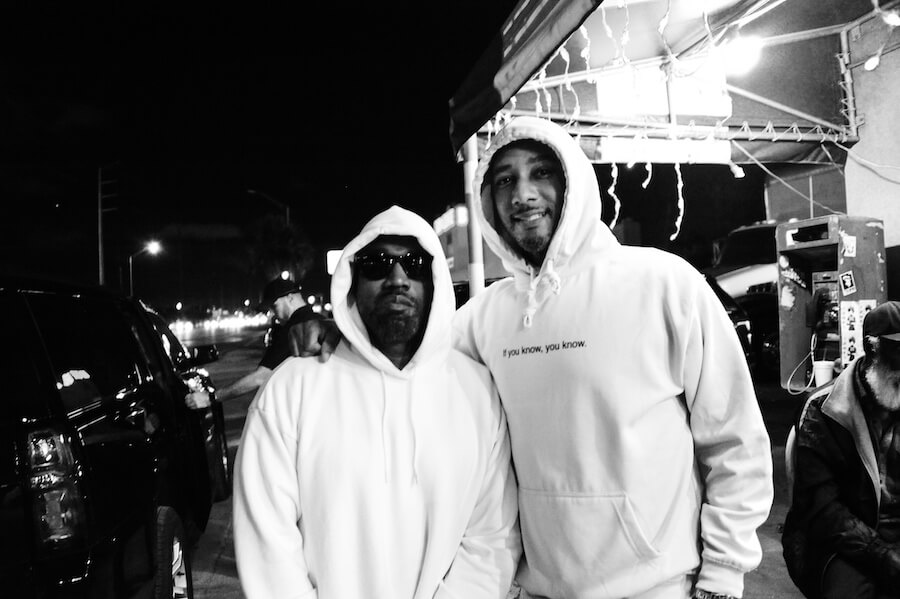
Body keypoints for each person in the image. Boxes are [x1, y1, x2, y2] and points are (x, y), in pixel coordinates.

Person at [293, 116, 774, 599]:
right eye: (505, 180)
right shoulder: (482, 320)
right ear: (488, 200)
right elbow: (406, 363)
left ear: (573, 181)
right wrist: (343, 331)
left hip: (660, 587)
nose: (522, 195)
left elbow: (733, 439)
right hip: (539, 589)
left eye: (541, 172)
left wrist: (723, 574)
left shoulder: (665, 286)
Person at [232, 205, 521, 598]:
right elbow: (268, 545)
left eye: (414, 265)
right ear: (351, 280)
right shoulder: (292, 389)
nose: (398, 278)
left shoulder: (477, 391)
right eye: (376, 265)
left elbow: (492, 538)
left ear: (434, 279)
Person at [783, 300, 900, 599]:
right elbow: (821, 509)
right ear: (872, 349)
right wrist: (882, 555)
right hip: (842, 544)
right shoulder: (824, 411)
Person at [184, 276, 321, 409]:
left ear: (290, 298)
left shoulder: (293, 329)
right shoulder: (320, 321)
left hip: (307, 411)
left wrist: (210, 398)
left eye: (275, 307)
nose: (273, 313)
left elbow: (260, 377)